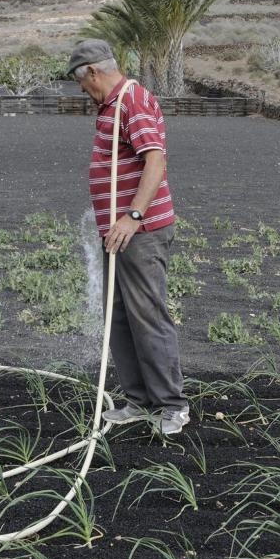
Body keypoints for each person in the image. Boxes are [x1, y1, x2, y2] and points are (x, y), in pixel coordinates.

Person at [68, 39, 190, 436]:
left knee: (147, 314)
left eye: (80, 81)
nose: (82, 89)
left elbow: (155, 159)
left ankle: (171, 405)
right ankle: (139, 400)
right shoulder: (110, 105)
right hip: (117, 235)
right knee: (119, 316)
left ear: (92, 72)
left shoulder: (131, 100)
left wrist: (132, 216)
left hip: (141, 232)